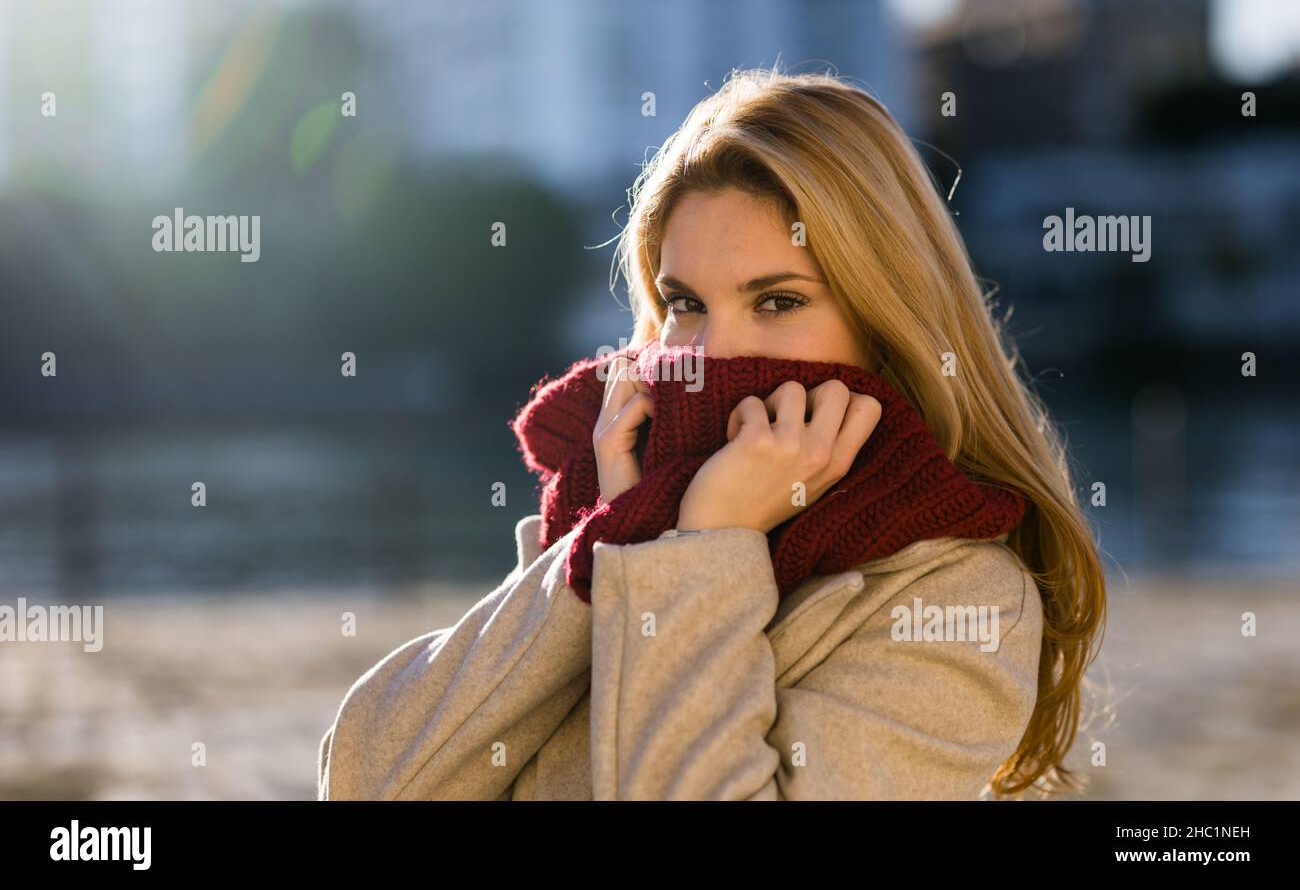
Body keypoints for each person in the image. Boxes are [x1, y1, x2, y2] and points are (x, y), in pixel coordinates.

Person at [317, 66, 1106, 800]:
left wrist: (702, 551)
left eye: (778, 302)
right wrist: (615, 547)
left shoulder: (958, 597)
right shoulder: (617, 502)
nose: (711, 357)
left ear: (883, 322)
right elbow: (370, 780)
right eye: (687, 305)